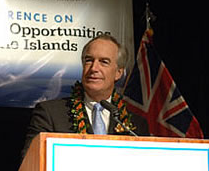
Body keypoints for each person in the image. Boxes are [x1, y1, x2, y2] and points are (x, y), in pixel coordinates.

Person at [21, 34, 149, 158]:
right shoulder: (50, 114)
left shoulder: (135, 125)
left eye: (104, 62)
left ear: (118, 73)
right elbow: (31, 162)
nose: (94, 68)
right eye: (89, 60)